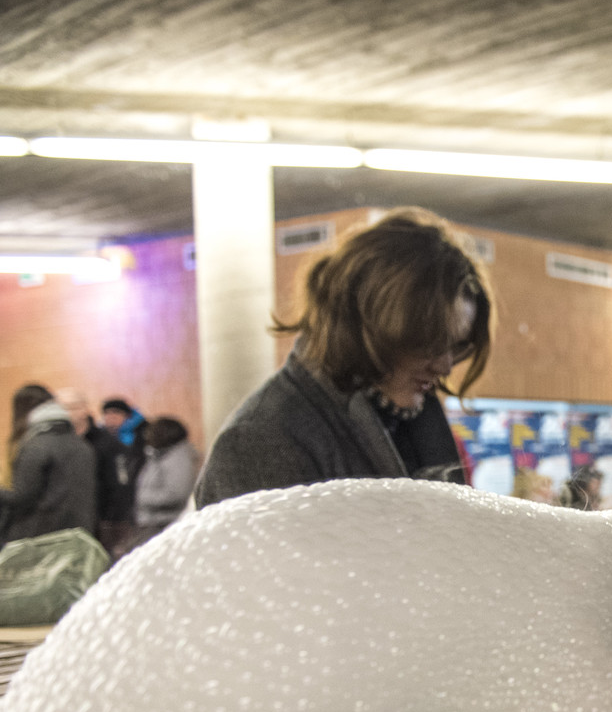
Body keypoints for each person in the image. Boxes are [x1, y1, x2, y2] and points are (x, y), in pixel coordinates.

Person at [193, 207, 494, 507]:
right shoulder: (260, 441)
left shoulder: (412, 418)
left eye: (457, 346)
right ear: (367, 325)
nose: (445, 365)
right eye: (428, 344)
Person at [1, 384, 97, 546]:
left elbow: (23, 497)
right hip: (79, 535)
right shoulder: (83, 446)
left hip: (41, 538)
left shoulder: (36, 446)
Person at [121, 416, 201, 554]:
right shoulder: (158, 456)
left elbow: (177, 493)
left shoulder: (178, 459)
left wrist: (144, 498)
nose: (148, 436)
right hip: (150, 523)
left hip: (164, 524)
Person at [95, 397, 146, 549]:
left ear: (126, 416)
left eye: (116, 413)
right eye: (107, 413)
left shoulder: (142, 436)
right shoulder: (98, 438)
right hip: (106, 507)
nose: (111, 417)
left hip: (134, 502)